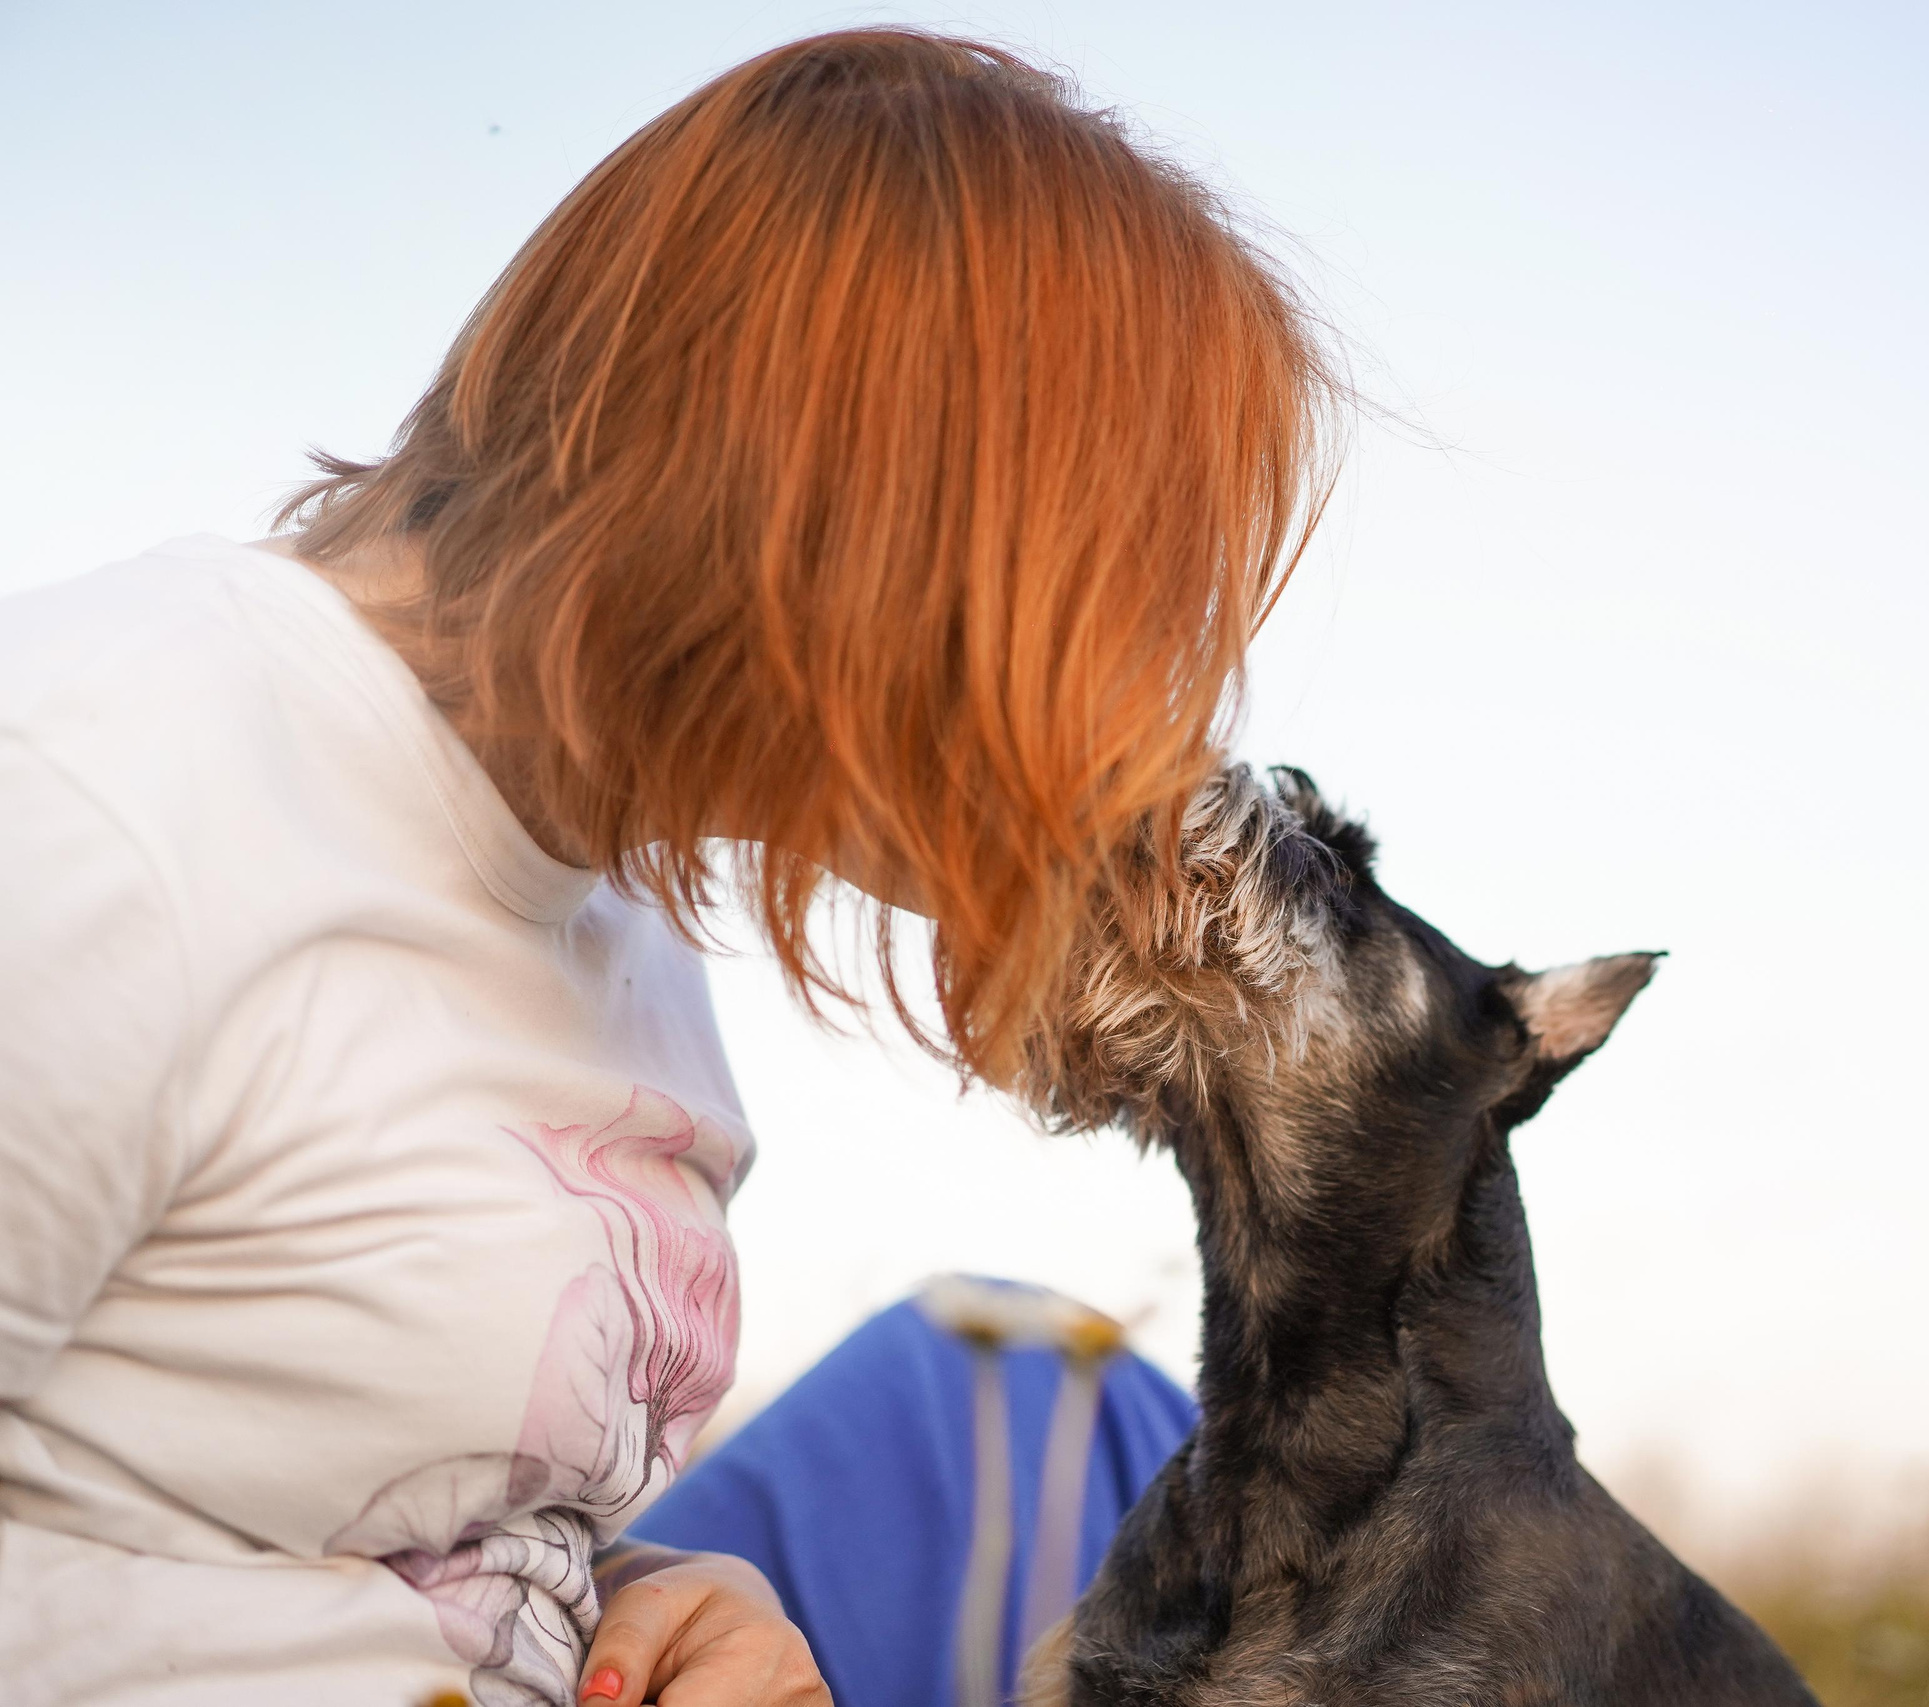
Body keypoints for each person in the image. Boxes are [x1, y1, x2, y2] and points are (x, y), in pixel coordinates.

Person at [0, 29, 1336, 1707]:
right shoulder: (102, 805)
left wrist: (636, 1588)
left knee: (1042, 1405)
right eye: (1099, 599)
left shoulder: (609, 911)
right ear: (853, 496)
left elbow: (251, 1497)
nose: (1139, 730)